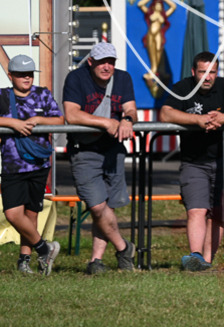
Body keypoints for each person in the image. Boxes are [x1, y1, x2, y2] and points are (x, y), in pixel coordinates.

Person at [159, 51, 224, 271]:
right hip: (193, 161)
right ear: (193, 72)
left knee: (218, 212)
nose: (208, 77)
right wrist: (196, 120)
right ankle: (195, 255)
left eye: (212, 72)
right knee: (196, 210)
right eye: (203, 72)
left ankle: (206, 261)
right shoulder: (181, 89)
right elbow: (166, 113)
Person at [63, 42, 138, 274]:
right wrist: (107, 122)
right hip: (84, 149)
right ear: (90, 62)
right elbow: (71, 114)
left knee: (108, 206)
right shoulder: (75, 79)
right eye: (102, 62)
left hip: (112, 150)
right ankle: (124, 247)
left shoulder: (123, 78)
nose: (107, 66)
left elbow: (131, 109)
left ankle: (96, 261)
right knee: (96, 205)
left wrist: (127, 120)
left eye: (111, 62)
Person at [0, 55, 63, 275]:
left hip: (39, 163)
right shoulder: (3, 96)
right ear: (11, 76)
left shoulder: (42, 94)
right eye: (20, 74)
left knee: (32, 214)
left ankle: (25, 260)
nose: (26, 78)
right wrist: (12, 122)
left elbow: (59, 120)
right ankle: (45, 248)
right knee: (13, 214)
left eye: (29, 74)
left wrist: (39, 119)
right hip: (12, 166)